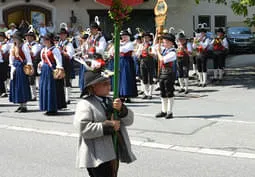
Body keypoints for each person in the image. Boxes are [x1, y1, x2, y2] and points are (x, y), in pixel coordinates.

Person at [73, 61, 136, 177]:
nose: (109, 86)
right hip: (96, 155)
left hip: (112, 150)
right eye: (104, 84)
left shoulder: (112, 101)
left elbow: (130, 120)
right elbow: (83, 128)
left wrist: (122, 109)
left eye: (108, 83)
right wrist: (108, 126)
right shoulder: (85, 104)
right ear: (93, 87)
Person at [38, 33, 66, 115]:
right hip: (45, 70)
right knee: (45, 88)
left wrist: (59, 70)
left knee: (51, 88)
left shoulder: (55, 49)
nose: (44, 41)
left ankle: (53, 108)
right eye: (43, 39)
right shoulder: (43, 50)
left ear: (50, 41)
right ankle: (47, 107)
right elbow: (43, 60)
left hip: (52, 70)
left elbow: (58, 61)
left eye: (45, 39)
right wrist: (41, 64)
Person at [9, 31, 33, 112]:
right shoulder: (14, 46)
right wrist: (12, 65)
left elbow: (28, 57)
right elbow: (11, 56)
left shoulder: (24, 46)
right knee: (16, 86)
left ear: (19, 38)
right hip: (15, 67)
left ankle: (24, 105)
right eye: (13, 38)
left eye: (15, 38)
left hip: (21, 67)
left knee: (22, 85)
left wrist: (29, 66)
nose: (14, 39)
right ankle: (20, 104)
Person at [155, 33, 177, 119]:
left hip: (169, 74)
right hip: (162, 73)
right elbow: (154, 47)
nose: (164, 44)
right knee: (162, 92)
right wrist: (156, 36)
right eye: (163, 42)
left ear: (171, 43)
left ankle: (169, 111)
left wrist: (158, 52)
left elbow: (162, 59)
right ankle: (163, 110)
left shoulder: (172, 52)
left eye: (165, 42)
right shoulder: (164, 50)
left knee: (169, 92)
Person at [57, 28, 75, 104]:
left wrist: (61, 51)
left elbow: (70, 55)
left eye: (62, 34)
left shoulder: (69, 44)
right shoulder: (59, 43)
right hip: (60, 63)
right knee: (60, 81)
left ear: (66, 35)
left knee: (67, 81)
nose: (61, 36)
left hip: (67, 63)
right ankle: (62, 97)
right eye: (60, 34)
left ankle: (68, 98)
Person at [136, 31, 155, 99]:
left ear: (149, 38)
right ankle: (146, 93)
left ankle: (150, 94)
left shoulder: (152, 45)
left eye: (147, 38)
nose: (145, 39)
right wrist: (139, 53)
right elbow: (137, 54)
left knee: (150, 78)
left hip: (150, 61)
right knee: (144, 78)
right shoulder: (141, 45)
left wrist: (149, 52)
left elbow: (154, 54)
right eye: (144, 38)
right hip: (143, 62)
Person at [24, 30, 42, 101]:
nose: (27, 38)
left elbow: (33, 54)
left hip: (34, 63)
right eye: (26, 37)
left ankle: (36, 95)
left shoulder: (36, 45)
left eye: (29, 37)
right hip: (28, 62)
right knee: (29, 79)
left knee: (34, 78)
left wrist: (26, 50)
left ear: (32, 38)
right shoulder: (26, 45)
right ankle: (32, 94)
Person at [0, 32, 10, 97]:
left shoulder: (6, 44)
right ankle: (2, 91)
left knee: (3, 77)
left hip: (3, 62)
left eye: (1, 37)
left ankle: (4, 91)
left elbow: (3, 51)